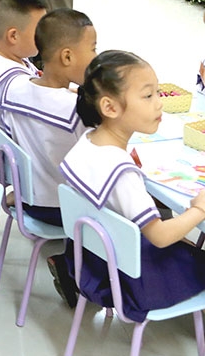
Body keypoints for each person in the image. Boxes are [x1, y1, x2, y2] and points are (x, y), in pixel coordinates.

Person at [53, 50, 205, 318]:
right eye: (148, 96)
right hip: (129, 279)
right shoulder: (121, 172)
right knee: (192, 252)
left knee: (184, 242)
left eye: (158, 93)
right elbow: (159, 237)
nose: (159, 103)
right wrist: (198, 210)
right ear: (110, 107)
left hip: (90, 261)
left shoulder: (88, 140)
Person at [0, 9, 96, 226]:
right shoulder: (76, 110)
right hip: (68, 210)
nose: (96, 57)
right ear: (67, 56)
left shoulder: (13, 89)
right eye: (93, 48)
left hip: (28, 198)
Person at [0, 0, 48, 148]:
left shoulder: (0, 58)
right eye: (40, 30)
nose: (46, 36)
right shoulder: (13, 84)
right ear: (14, 36)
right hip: (19, 158)